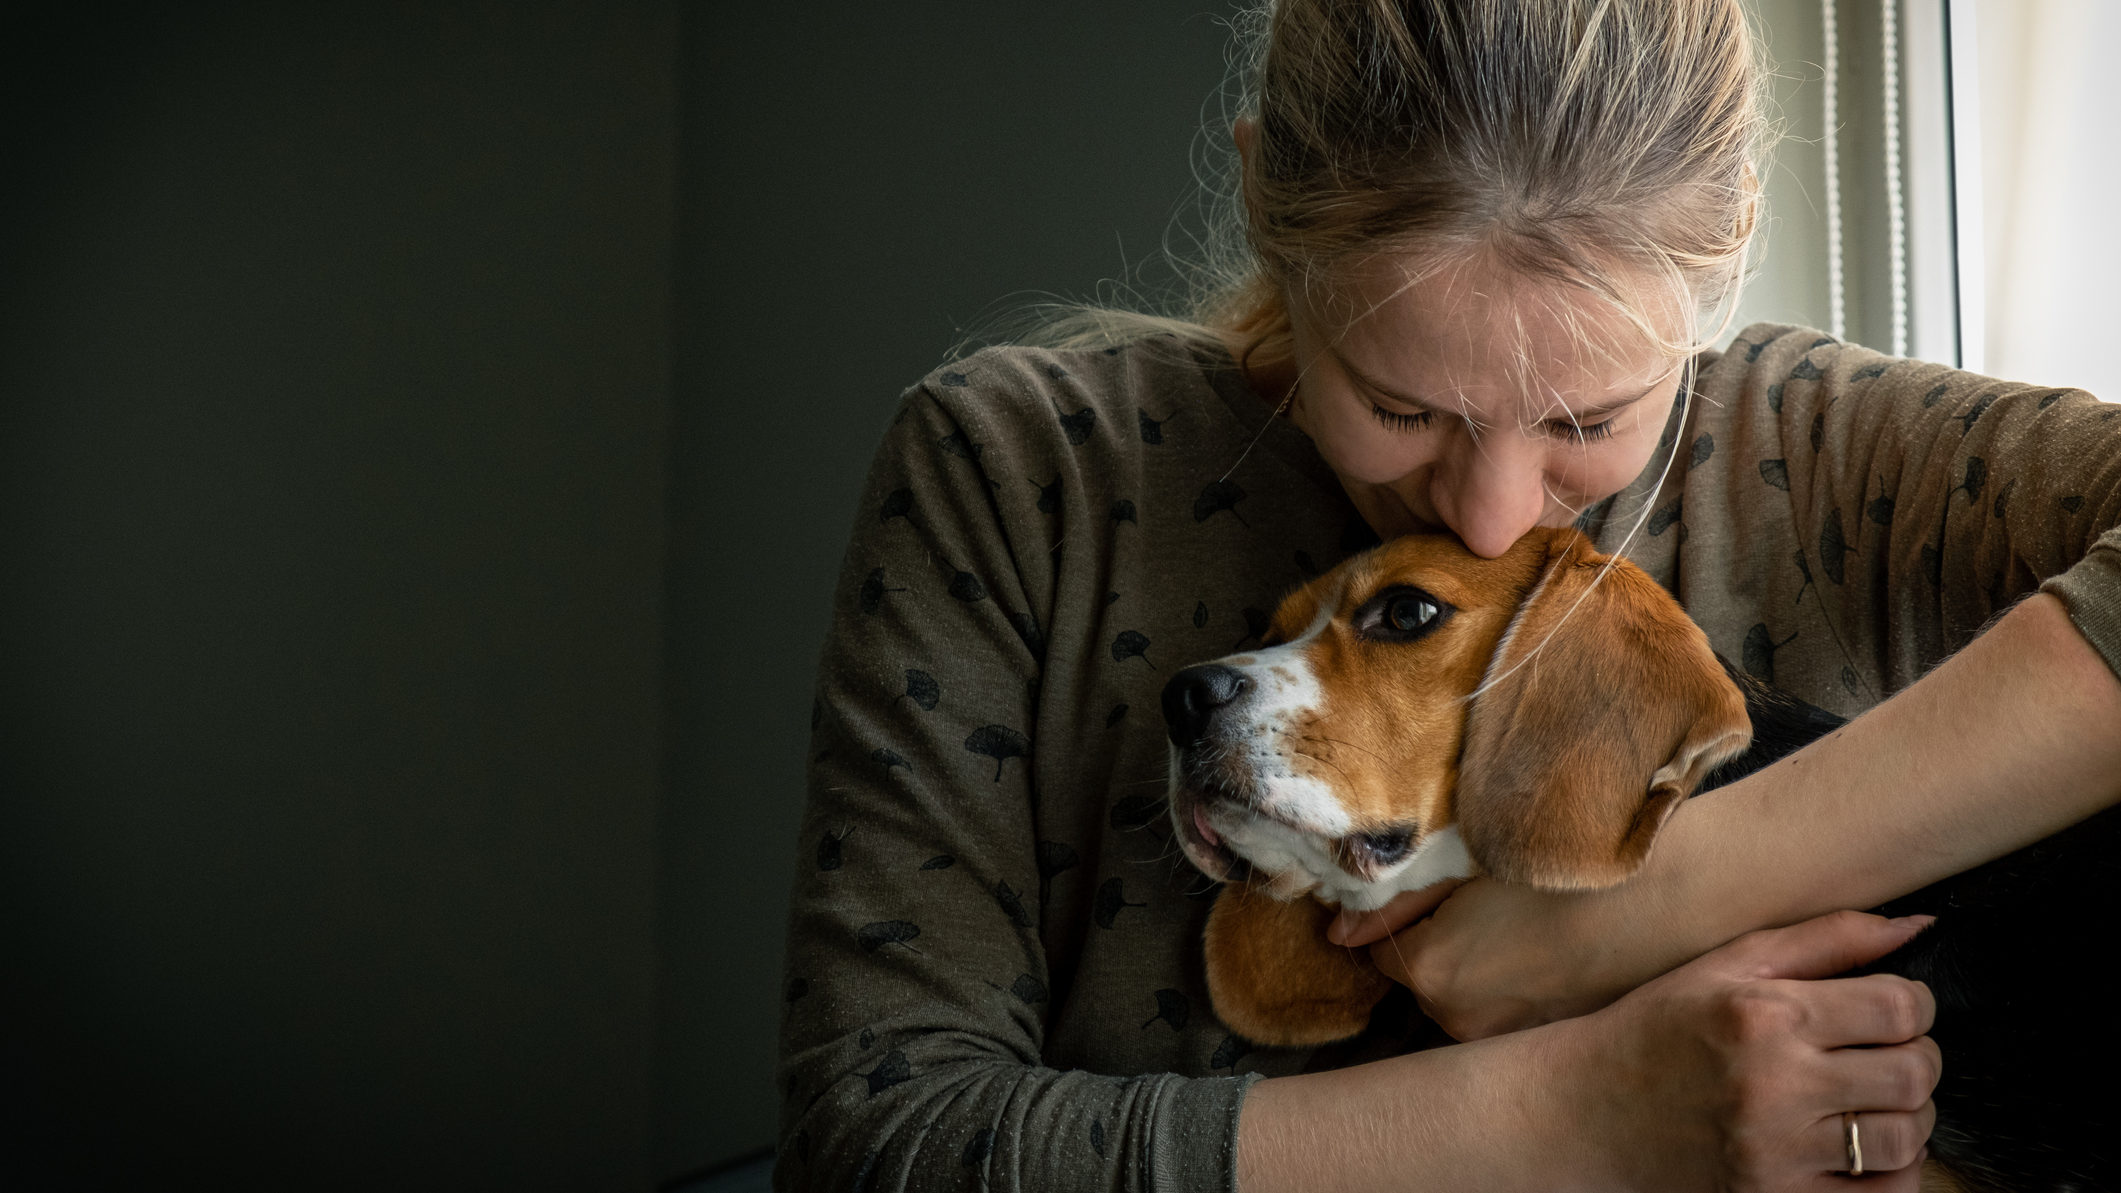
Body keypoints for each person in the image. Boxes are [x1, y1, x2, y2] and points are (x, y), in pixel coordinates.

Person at [774, 1, 2121, 1189]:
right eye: (1398, 404)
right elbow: (877, 1142)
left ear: (1728, 246)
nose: (1488, 512)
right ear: (1264, 208)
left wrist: (1667, 890)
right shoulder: (1022, 472)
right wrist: (1564, 1116)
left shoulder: (1841, 453)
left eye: (1586, 417)